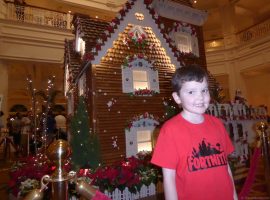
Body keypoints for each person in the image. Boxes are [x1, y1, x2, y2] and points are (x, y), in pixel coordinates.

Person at [151, 65, 238, 200]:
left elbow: (226, 167)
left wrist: (234, 196)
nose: (200, 97)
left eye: (204, 90)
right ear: (177, 97)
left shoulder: (217, 124)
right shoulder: (170, 130)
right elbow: (169, 179)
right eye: (191, 92)